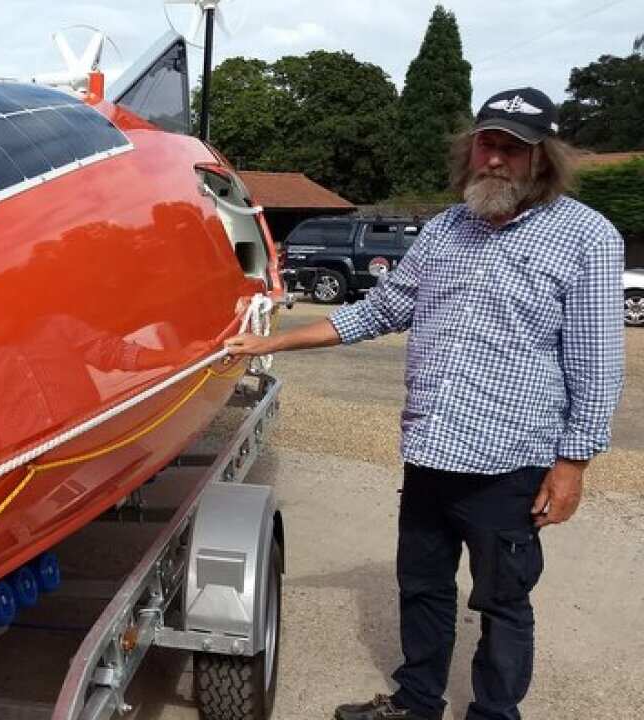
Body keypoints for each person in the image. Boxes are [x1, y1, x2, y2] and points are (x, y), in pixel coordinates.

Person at [225, 87, 624, 720]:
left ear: (542, 159)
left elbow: (597, 363)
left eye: (513, 150)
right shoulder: (444, 229)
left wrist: (573, 464)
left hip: (510, 464)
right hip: (432, 452)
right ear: (470, 151)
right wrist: (269, 342)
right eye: (487, 144)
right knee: (423, 588)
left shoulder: (586, 238)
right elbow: (381, 310)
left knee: (502, 602)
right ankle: (416, 703)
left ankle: (494, 714)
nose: (495, 160)